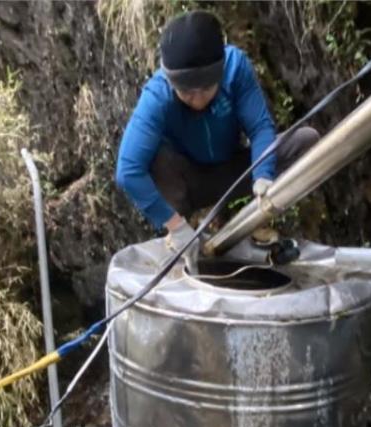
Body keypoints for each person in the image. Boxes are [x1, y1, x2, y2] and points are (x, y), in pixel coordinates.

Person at [115, 10, 319, 261]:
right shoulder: (157, 96)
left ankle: (256, 219)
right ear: (173, 83)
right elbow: (128, 170)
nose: (198, 100)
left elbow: (259, 127)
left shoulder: (235, 68)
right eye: (188, 93)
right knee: (153, 158)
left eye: (207, 89)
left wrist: (263, 175)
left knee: (305, 141)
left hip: (233, 172)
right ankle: (180, 235)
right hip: (186, 183)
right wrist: (174, 225)